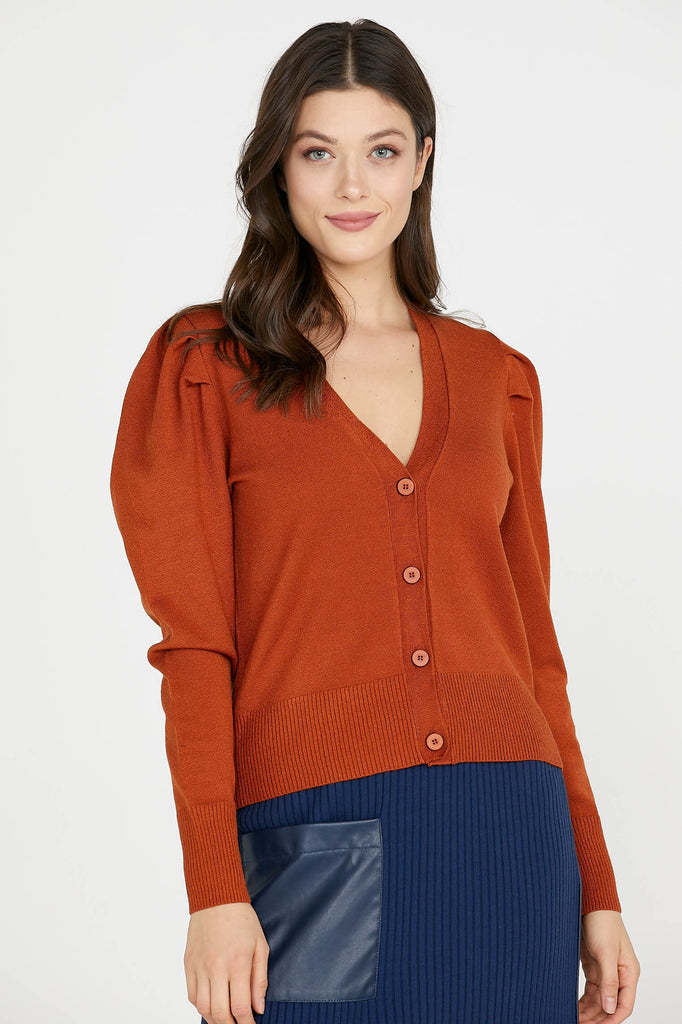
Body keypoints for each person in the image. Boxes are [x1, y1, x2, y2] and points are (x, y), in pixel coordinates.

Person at [109, 18, 640, 1024]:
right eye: (319, 153)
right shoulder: (205, 368)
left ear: (422, 161)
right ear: (279, 166)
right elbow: (194, 647)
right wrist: (212, 885)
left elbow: (536, 652)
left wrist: (598, 885)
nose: (352, 186)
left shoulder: (495, 379)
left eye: (382, 151)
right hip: (313, 830)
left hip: (510, 834)